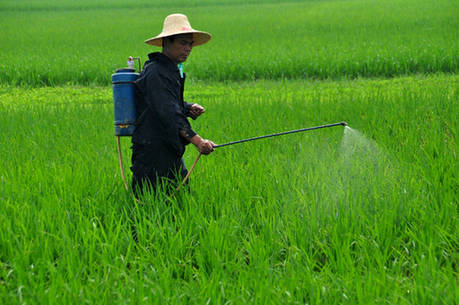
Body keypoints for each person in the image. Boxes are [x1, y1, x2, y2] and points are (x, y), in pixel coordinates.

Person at [131, 14, 215, 196]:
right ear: (166, 43)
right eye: (183, 43)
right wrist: (198, 141)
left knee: (180, 201)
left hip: (169, 149)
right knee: (148, 207)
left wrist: (187, 107)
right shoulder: (156, 72)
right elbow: (169, 113)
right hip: (152, 154)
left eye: (190, 44)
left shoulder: (169, 70)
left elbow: (167, 102)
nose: (188, 49)